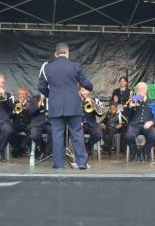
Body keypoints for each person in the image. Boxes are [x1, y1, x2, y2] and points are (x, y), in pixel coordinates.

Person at [38, 42, 93, 170]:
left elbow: (41, 87)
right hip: (73, 105)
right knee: (77, 134)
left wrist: (51, 95)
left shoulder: (46, 67)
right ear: (67, 53)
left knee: (57, 135)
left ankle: (58, 164)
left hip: (55, 106)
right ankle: (81, 163)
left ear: (55, 54)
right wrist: (90, 86)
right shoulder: (75, 65)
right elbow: (85, 83)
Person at [124, 82, 155, 162]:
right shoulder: (132, 100)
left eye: (142, 89)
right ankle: (134, 153)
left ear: (146, 90)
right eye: (138, 89)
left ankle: (144, 153)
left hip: (147, 125)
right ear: (136, 91)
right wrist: (130, 106)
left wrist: (152, 122)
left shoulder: (152, 101)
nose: (140, 90)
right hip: (134, 125)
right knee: (128, 136)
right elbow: (126, 114)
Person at [26, 94, 52, 158]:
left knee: (57, 133)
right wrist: (38, 105)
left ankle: (46, 151)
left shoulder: (54, 96)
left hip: (48, 123)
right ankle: (42, 148)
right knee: (34, 135)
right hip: (36, 123)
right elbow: (30, 111)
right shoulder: (34, 98)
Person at [79, 86, 103, 156]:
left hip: (91, 124)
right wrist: (83, 102)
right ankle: (82, 153)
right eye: (82, 90)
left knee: (99, 134)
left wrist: (93, 104)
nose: (85, 92)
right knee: (78, 134)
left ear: (89, 91)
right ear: (79, 91)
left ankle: (87, 147)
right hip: (80, 124)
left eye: (86, 90)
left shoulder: (94, 100)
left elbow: (100, 114)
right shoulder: (75, 100)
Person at [10, 87, 31, 157]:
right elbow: (10, 116)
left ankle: (21, 147)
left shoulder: (30, 104)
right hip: (16, 124)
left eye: (24, 94)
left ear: (27, 95)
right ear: (18, 95)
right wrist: (14, 111)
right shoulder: (14, 103)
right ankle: (16, 148)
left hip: (26, 125)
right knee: (9, 131)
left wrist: (27, 107)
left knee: (32, 132)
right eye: (20, 94)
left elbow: (32, 115)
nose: (22, 95)